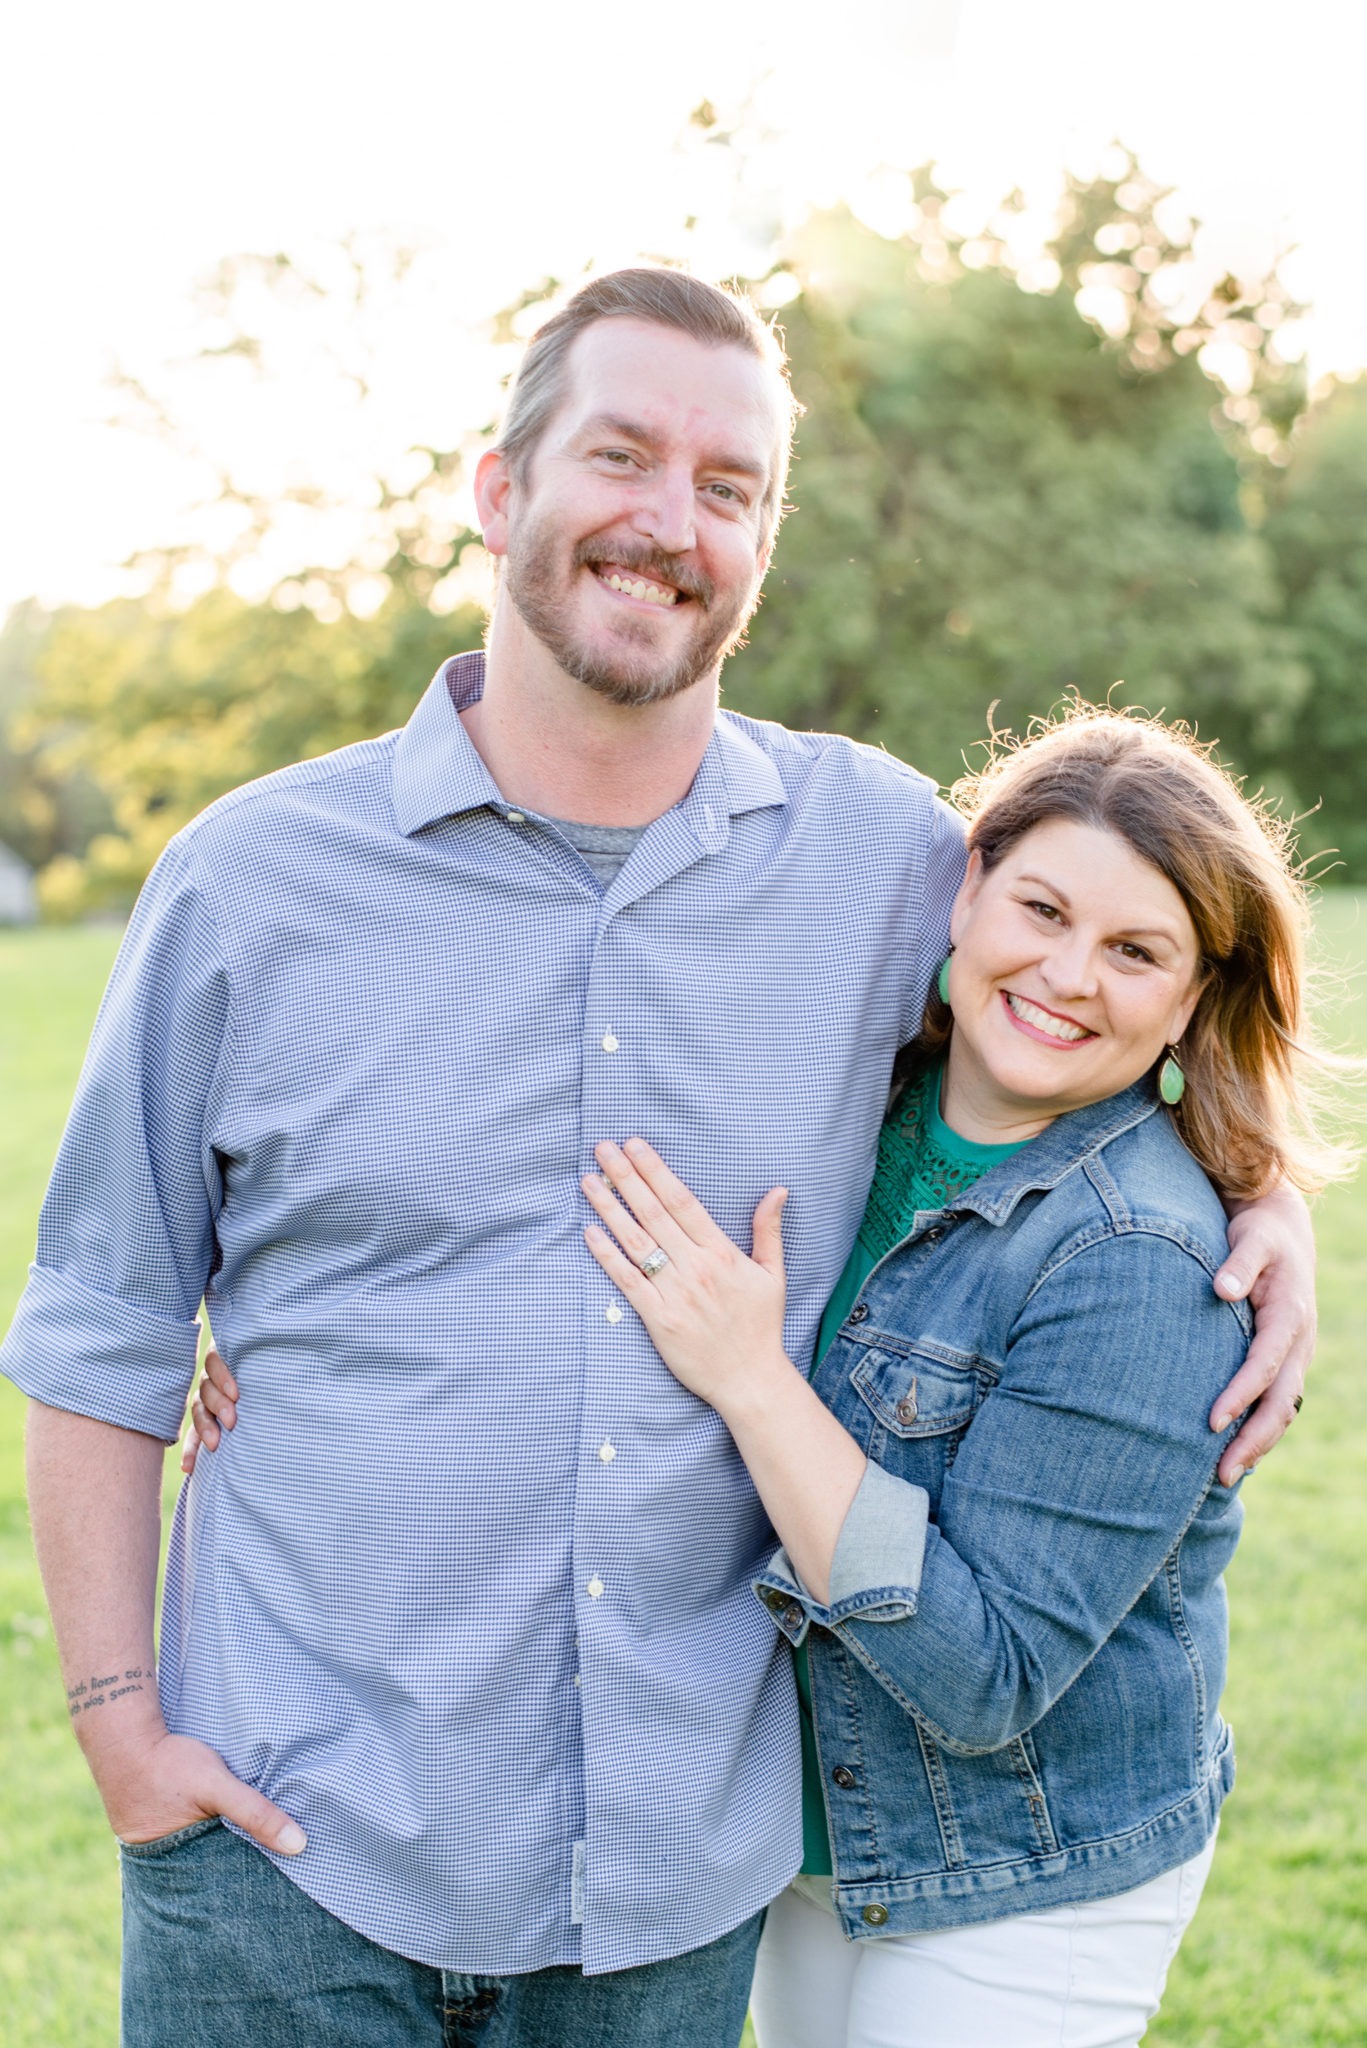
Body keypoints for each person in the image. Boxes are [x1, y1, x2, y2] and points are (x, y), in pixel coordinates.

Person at [1, 270, 1313, 2048]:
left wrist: (1259, 1195)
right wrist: (113, 1721)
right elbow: (103, 1323)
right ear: (498, 488)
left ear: (764, 542)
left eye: (727, 486)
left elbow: (1092, 981)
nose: (666, 521)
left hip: (674, 1892)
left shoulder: (878, 858)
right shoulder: (248, 885)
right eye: (620, 456)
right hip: (281, 1847)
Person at [571, 707, 1347, 2048]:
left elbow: (988, 1674)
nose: (1068, 975)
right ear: (964, 886)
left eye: (1135, 951)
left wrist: (756, 1383)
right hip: (817, 1824)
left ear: (1192, 996)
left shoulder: (1140, 1255)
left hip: (1025, 1860)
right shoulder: (847, 1103)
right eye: (1041, 908)